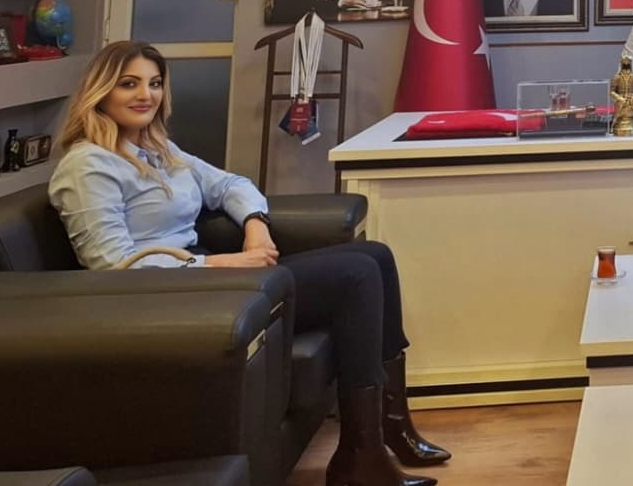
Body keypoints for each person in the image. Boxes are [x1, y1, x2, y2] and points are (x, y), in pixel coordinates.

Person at [48, 41, 451, 486]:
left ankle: (390, 427)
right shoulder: (88, 165)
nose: (146, 95)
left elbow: (230, 184)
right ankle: (362, 456)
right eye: (129, 84)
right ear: (101, 91)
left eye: (155, 83)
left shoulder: (157, 149)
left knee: (374, 255)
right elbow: (111, 266)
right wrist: (221, 265)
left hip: (205, 282)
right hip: (165, 298)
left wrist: (256, 224)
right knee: (355, 274)